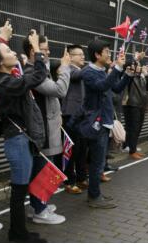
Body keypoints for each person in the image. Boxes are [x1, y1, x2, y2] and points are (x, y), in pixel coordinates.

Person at [0, 28, 47, 242]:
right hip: (17, 141)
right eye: (7, 51)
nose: (13, 53)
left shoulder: (10, 78)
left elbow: (32, 76)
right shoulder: (4, 83)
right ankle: (18, 234)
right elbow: (39, 76)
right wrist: (36, 49)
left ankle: (18, 232)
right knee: (19, 190)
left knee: (20, 189)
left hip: (20, 140)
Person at [23, 33, 71, 224]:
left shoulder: (38, 70)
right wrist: (66, 68)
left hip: (47, 128)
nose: (48, 52)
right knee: (42, 170)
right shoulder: (33, 73)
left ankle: (39, 204)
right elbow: (60, 90)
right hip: (41, 131)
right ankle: (40, 210)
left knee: (45, 168)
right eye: (44, 49)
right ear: (32, 51)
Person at [80, 39, 132, 208]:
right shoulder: (88, 72)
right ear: (97, 55)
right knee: (97, 162)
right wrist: (117, 68)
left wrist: (128, 75)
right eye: (107, 52)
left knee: (99, 162)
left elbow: (115, 88)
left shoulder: (102, 70)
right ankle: (94, 197)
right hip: (97, 123)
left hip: (105, 122)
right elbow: (103, 86)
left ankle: (96, 194)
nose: (110, 55)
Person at [61, 44, 88, 194]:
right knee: (70, 149)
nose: (83, 57)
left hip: (82, 115)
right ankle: (69, 182)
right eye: (79, 54)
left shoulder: (81, 71)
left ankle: (81, 178)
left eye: (83, 54)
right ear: (70, 57)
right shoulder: (68, 69)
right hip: (70, 115)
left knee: (82, 148)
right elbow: (77, 76)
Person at [122, 59, 148, 160]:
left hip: (141, 105)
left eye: (140, 65)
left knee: (138, 128)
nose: (140, 67)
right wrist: (136, 59)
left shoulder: (142, 77)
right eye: (138, 65)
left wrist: (147, 74)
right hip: (132, 105)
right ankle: (132, 150)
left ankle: (133, 148)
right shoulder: (130, 77)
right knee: (133, 128)